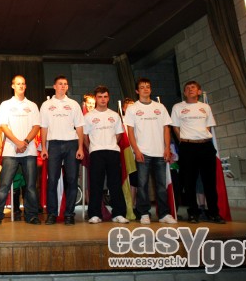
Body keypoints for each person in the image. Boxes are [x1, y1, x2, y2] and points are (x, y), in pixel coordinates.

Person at [124, 77, 177, 225]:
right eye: (142, 87)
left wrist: (167, 148)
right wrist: (136, 150)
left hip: (160, 152)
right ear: (137, 91)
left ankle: (164, 214)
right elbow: (130, 132)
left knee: (161, 185)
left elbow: (167, 128)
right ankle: (144, 213)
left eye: (148, 86)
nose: (145, 89)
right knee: (142, 185)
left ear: (151, 89)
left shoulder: (160, 107)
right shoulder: (133, 109)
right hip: (143, 152)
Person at [171, 80, 226, 224]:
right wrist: (184, 140)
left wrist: (201, 138)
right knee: (189, 182)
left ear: (199, 92)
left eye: (193, 87)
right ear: (184, 93)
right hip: (188, 147)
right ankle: (193, 213)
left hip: (206, 146)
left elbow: (209, 126)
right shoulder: (178, 107)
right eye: (187, 88)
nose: (190, 90)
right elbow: (175, 127)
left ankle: (213, 213)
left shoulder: (205, 107)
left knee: (209, 182)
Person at [0, 75, 41, 225]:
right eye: (18, 84)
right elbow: (4, 126)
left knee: (30, 186)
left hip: (29, 151)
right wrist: (18, 142)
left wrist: (25, 142)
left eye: (23, 84)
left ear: (26, 86)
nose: (21, 86)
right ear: (13, 86)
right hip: (10, 151)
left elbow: (36, 126)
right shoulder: (5, 104)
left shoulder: (32, 105)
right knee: (4, 185)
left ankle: (32, 215)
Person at [40, 75, 85, 226]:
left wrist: (80, 147)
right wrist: (44, 147)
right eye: (60, 84)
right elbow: (43, 127)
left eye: (65, 84)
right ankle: (52, 214)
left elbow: (79, 127)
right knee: (52, 180)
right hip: (53, 144)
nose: (63, 86)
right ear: (54, 86)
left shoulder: (73, 104)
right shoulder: (46, 105)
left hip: (72, 144)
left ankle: (69, 214)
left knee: (72, 180)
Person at [83, 85, 129, 224]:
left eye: (105, 97)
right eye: (100, 97)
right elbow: (84, 136)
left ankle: (118, 213)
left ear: (108, 98)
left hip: (113, 152)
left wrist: (111, 143)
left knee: (115, 184)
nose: (102, 99)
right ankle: (94, 214)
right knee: (96, 184)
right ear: (96, 98)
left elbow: (119, 134)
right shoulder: (88, 116)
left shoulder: (114, 115)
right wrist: (91, 148)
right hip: (96, 153)